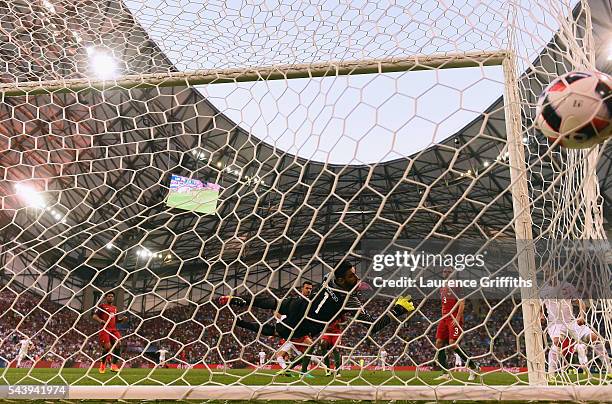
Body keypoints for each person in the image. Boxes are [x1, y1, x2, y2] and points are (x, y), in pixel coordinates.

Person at [220, 261, 415, 377]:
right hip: (304, 323)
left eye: (355, 274)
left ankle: (238, 301)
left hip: (300, 305)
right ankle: (240, 317)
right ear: (340, 280)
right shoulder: (350, 301)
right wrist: (397, 310)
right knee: (272, 329)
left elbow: (337, 273)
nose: (355, 278)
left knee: (271, 303)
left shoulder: (330, 279)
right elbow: (372, 327)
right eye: (351, 276)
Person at [540, 276, 611, 380]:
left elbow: (580, 302)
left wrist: (582, 316)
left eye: (551, 271)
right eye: (546, 272)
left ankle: (609, 369)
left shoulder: (567, 286)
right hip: (555, 323)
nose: (549, 274)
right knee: (557, 342)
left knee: (595, 337)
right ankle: (551, 374)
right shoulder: (542, 290)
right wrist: (541, 315)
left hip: (571, 322)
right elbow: (541, 306)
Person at [433, 267, 477, 382]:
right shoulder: (442, 286)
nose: (446, 273)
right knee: (438, 342)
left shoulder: (457, 284)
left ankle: (473, 367)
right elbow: (444, 303)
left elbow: (462, 301)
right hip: (444, 318)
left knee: (453, 343)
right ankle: (445, 373)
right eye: (444, 271)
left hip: (454, 318)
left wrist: (457, 317)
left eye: (449, 271)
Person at [92, 291, 126, 373]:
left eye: (112, 296)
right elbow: (94, 316)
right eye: (109, 296)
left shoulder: (115, 308)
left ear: (113, 298)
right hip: (105, 329)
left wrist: (122, 320)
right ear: (105, 297)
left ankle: (114, 365)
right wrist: (100, 321)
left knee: (119, 344)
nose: (110, 297)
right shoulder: (102, 306)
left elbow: (116, 320)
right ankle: (102, 365)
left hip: (113, 329)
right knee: (107, 347)